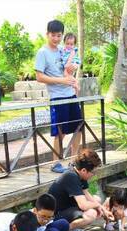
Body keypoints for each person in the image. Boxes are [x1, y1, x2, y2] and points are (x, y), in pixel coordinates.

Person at [35, 20, 82, 174]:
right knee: (60, 131)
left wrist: (74, 69)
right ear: (47, 34)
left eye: (59, 36)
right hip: (58, 97)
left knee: (78, 128)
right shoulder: (43, 52)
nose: (56, 38)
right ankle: (55, 163)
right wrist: (62, 81)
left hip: (71, 95)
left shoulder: (63, 49)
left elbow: (72, 65)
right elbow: (39, 77)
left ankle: (74, 160)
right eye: (53, 35)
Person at [47, 148, 106, 231]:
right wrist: (97, 206)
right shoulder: (71, 176)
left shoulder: (80, 174)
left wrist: (101, 208)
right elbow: (83, 205)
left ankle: (73, 226)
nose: (94, 175)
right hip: (55, 215)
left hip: (68, 207)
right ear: (84, 170)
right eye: (93, 172)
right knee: (91, 214)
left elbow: (86, 194)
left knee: (97, 199)